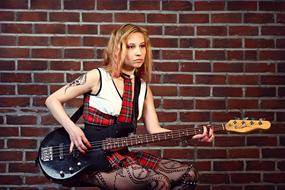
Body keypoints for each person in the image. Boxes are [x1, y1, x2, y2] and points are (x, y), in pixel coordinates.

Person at [45, 23, 214, 190]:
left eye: (142, 46)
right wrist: (72, 130)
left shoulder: (144, 89)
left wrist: (188, 137)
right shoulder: (98, 77)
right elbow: (52, 100)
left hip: (121, 155)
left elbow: (155, 130)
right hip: (89, 158)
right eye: (131, 46)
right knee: (159, 182)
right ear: (117, 49)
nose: (139, 52)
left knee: (189, 174)